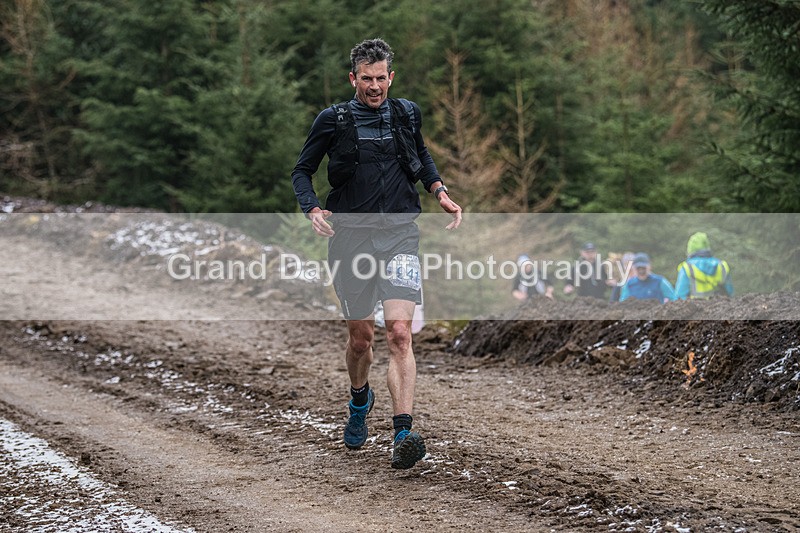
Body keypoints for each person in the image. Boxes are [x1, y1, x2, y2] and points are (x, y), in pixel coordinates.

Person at [290, 38, 462, 469]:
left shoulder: (406, 113)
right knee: (361, 339)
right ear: (353, 78)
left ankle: (403, 432)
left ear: (391, 77)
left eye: (381, 78)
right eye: (366, 79)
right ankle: (359, 399)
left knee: (400, 333)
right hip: (350, 240)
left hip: (400, 235)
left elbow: (421, 154)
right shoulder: (334, 120)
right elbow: (302, 171)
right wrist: (312, 209)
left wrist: (438, 190)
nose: (374, 86)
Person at [675, 232, 733, 300]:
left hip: (694, 306)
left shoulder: (687, 268)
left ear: (690, 249)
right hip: (720, 305)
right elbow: (730, 293)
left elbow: (680, 296)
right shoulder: (722, 266)